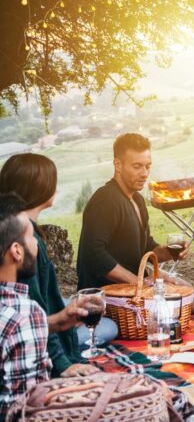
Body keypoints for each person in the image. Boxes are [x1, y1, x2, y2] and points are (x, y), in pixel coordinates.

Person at [0, 154, 115, 369]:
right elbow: (35, 308)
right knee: (108, 327)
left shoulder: (12, 227)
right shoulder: (27, 240)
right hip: (35, 336)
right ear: (41, 187)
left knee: (70, 303)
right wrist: (64, 364)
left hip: (26, 319)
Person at [77, 133, 189, 290]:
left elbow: (145, 247)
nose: (144, 173)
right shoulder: (106, 200)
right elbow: (93, 254)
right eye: (137, 166)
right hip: (107, 295)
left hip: (133, 289)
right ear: (118, 165)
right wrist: (138, 282)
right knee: (188, 302)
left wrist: (170, 252)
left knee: (189, 291)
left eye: (147, 166)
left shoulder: (137, 199)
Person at [0, 193, 52, 421]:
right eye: (32, 237)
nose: (36, 244)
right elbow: (26, 411)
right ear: (16, 251)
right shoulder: (24, 314)